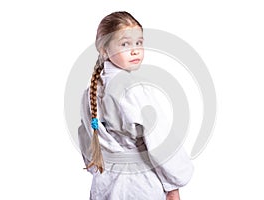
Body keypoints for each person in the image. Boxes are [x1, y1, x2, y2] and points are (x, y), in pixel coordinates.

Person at [78, 11, 194, 200]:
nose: (135, 50)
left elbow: (86, 140)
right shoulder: (133, 89)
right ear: (104, 50)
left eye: (139, 43)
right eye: (125, 44)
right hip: (139, 186)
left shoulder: (88, 93)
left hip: (103, 187)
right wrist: (173, 185)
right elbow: (159, 138)